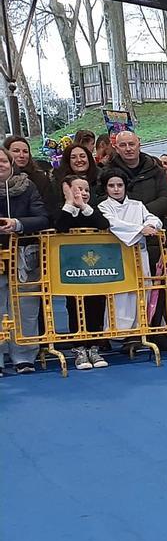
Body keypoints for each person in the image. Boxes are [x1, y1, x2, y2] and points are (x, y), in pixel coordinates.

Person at [0, 145, 50, 374]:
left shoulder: (28, 187)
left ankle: (24, 356)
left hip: (24, 256)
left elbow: (42, 218)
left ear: (11, 164)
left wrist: (18, 224)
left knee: (27, 307)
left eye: (3, 161)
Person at [96, 169, 165, 333]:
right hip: (117, 257)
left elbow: (153, 219)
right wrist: (141, 229)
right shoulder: (103, 207)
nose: (116, 189)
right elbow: (113, 223)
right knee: (120, 295)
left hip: (140, 255)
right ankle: (119, 332)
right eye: (111, 185)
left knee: (142, 290)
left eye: (120, 185)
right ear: (106, 188)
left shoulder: (137, 205)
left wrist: (151, 226)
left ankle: (142, 328)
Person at [54, 175, 111, 370]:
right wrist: (70, 203)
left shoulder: (93, 211)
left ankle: (94, 347)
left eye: (86, 190)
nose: (83, 193)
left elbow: (103, 224)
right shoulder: (63, 211)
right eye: (78, 189)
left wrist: (85, 207)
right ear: (67, 190)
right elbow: (59, 226)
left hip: (96, 271)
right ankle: (79, 348)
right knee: (75, 308)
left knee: (97, 305)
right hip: (72, 273)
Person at [50, 145, 100, 213]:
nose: (79, 160)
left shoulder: (101, 177)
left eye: (82, 156)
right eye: (73, 157)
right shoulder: (58, 182)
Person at [3, 135, 54, 203]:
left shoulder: (40, 178)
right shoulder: (2, 178)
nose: (22, 155)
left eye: (25, 151)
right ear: (5, 153)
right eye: (16, 151)